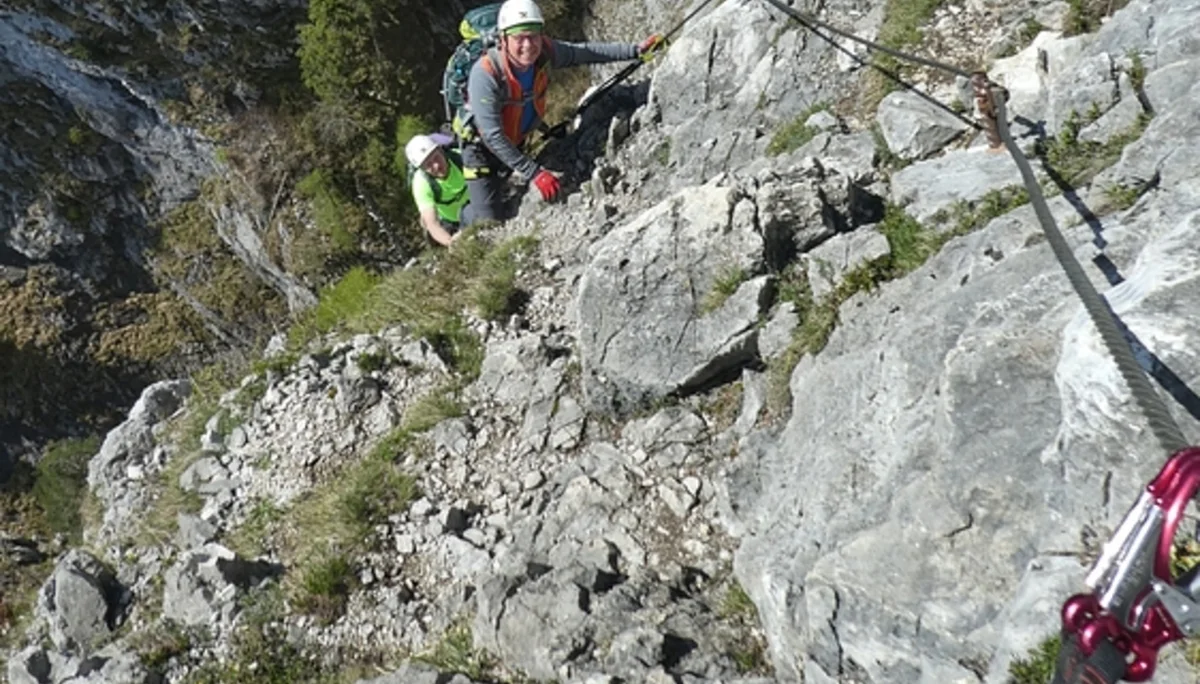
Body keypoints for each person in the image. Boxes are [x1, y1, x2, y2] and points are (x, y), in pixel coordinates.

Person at [460, 0, 661, 221]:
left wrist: (635, 50)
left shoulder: (545, 51)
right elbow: (492, 135)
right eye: (519, 38)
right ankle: (463, 219)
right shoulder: (486, 74)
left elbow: (584, 52)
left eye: (533, 36)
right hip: (482, 153)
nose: (528, 45)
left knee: (505, 195)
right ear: (503, 39)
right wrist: (535, 173)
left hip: (516, 141)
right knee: (489, 220)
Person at [406, 133, 473, 246]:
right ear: (422, 169)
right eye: (428, 164)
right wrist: (451, 243)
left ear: (441, 151)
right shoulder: (421, 184)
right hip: (451, 222)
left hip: (476, 206)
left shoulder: (461, 158)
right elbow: (432, 224)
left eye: (436, 157)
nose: (436, 165)